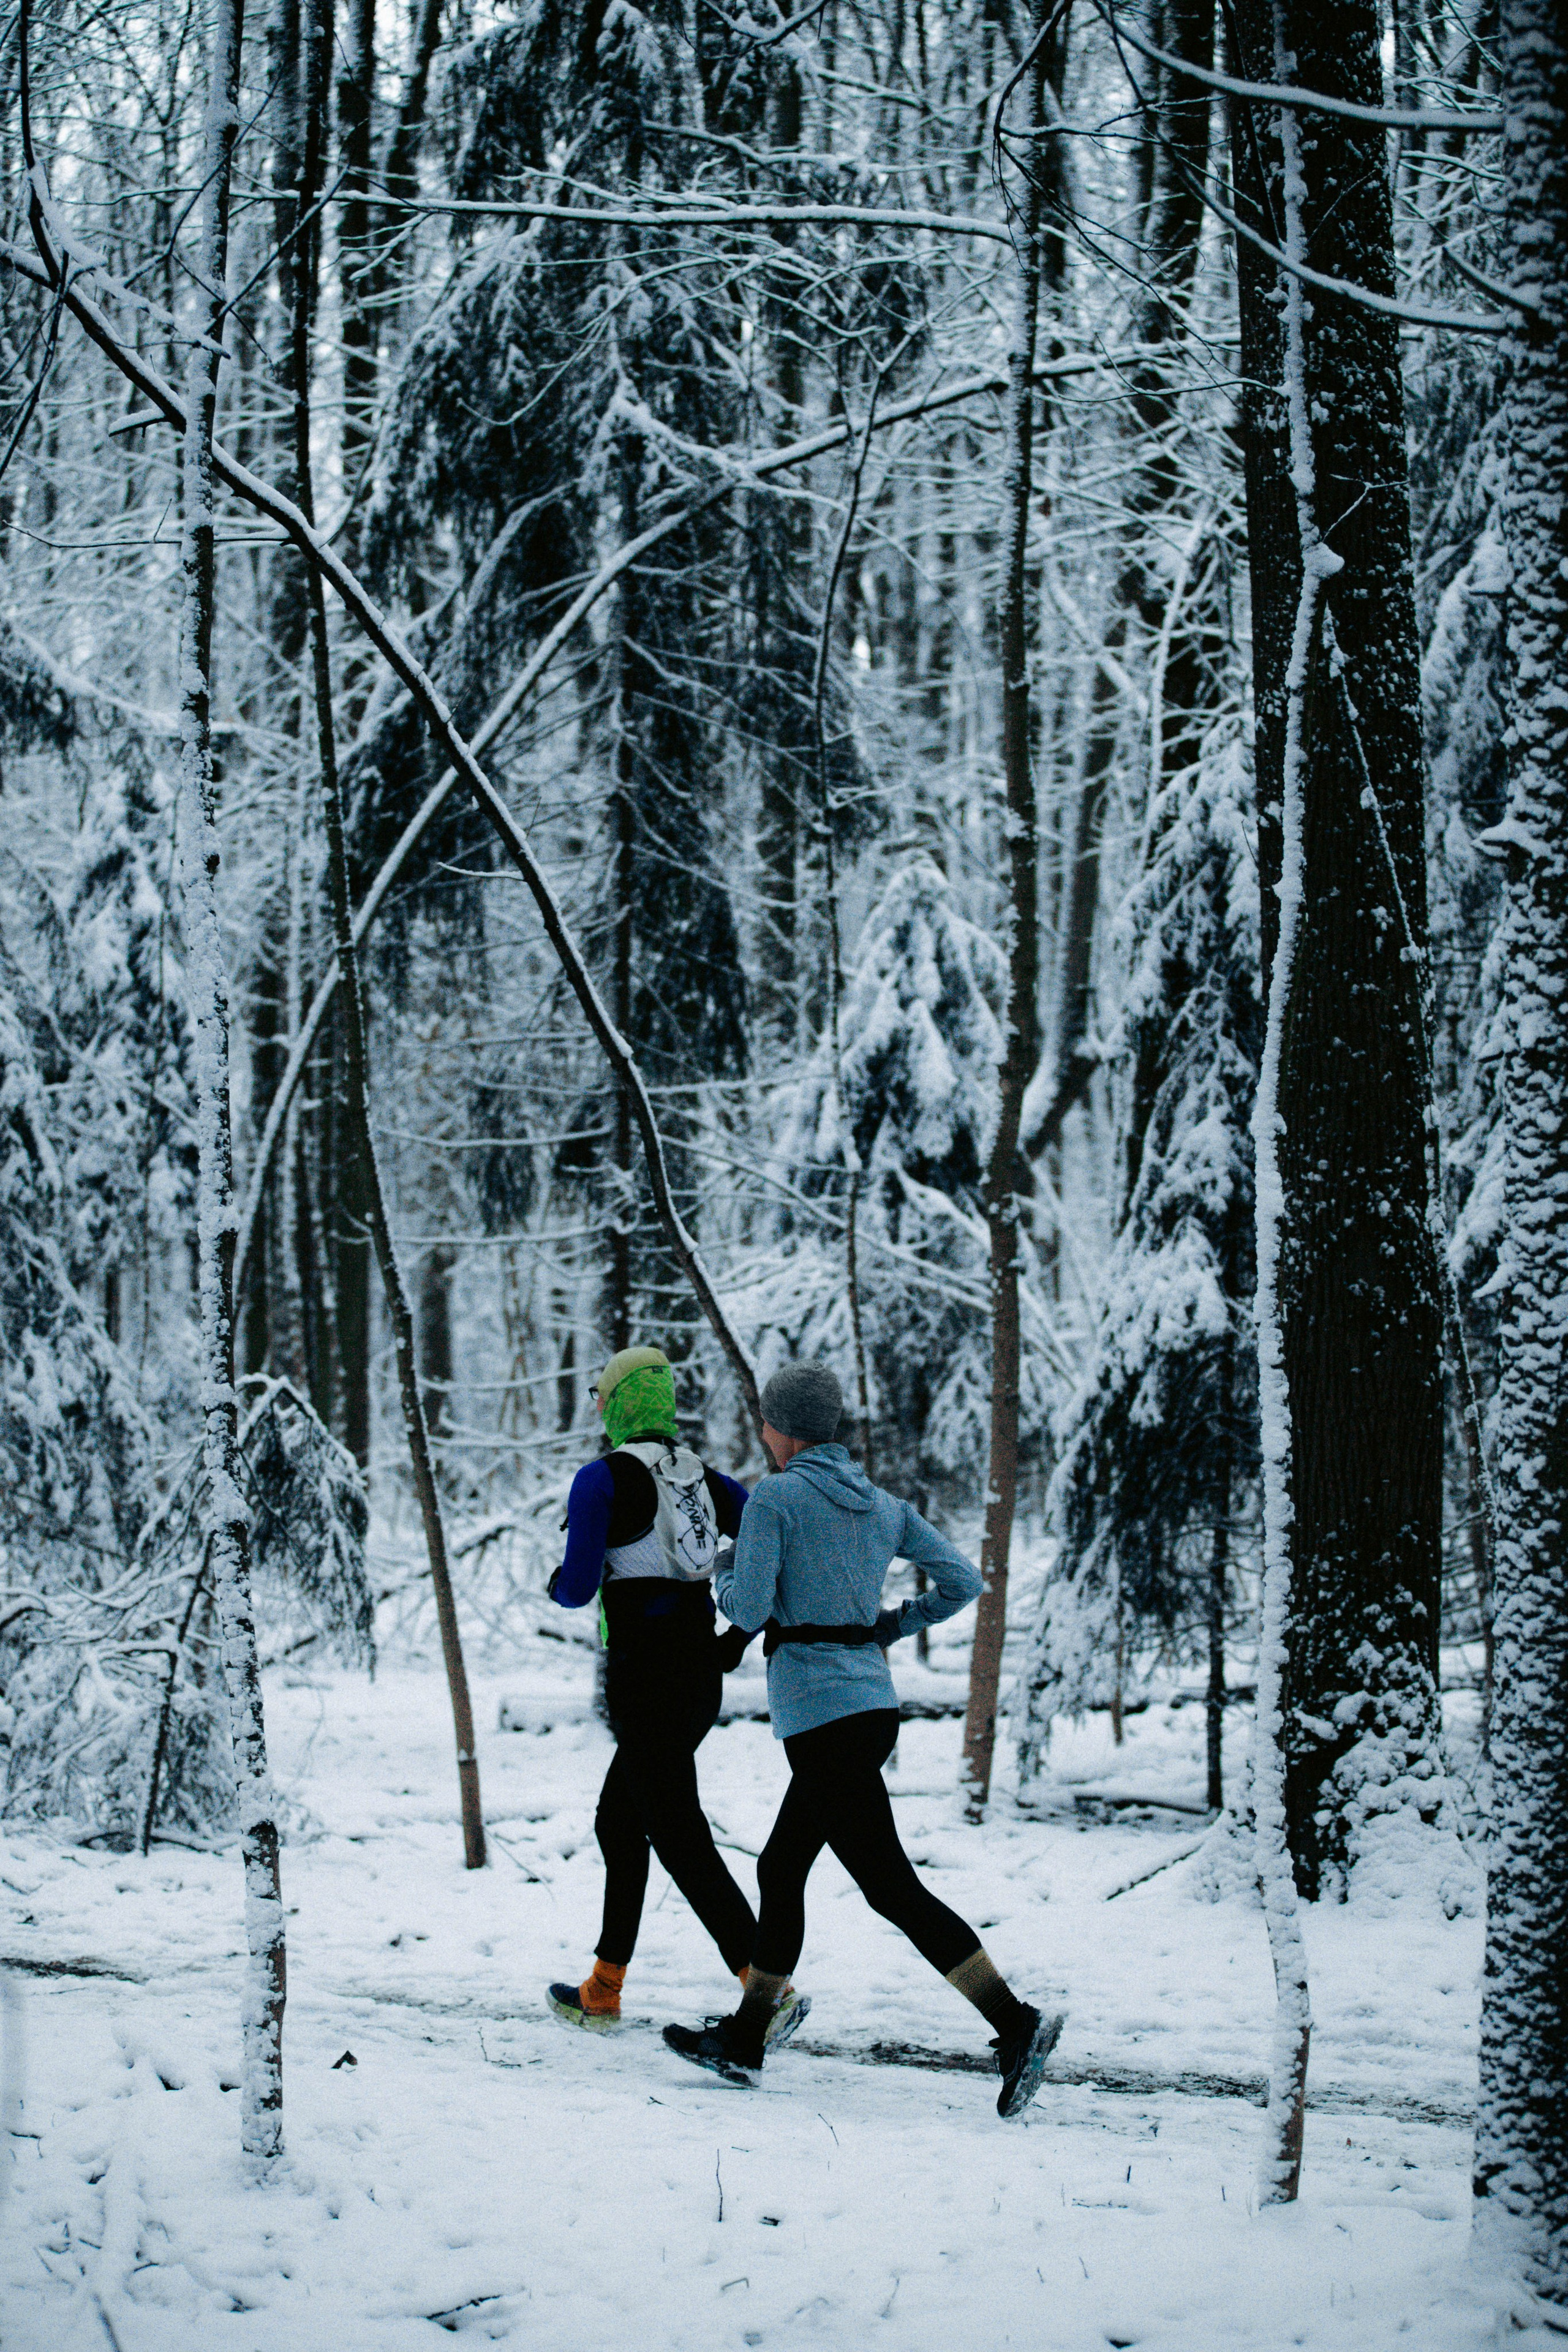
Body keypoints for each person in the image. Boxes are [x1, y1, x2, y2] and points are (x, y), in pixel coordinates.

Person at [663, 1362, 1062, 2119]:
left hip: (819, 1713)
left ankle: (1016, 2024)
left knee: (890, 1888)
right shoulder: (882, 1505)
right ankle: (747, 2040)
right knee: (783, 1871)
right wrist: (889, 1626)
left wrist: (721, 1569)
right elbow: (961, 1581)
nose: (762, 1434)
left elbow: (746, 1606)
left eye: (765, 1423)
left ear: (781, 1429)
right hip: (868, 1709)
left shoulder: (777, 1496)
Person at [545, 1344, 807, 2046]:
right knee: (620, 1823)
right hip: (698, 1677)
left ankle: (766, 1991)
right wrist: (736, 1635)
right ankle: (603, 1988)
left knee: (679, 1834)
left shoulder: (601, 1480)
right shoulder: (708, 1479)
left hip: (643, 1677)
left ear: (620, 1402)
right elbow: (769, 1553)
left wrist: (559, 1577)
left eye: (602, 1398)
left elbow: (574, 1591)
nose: (598, 1411)